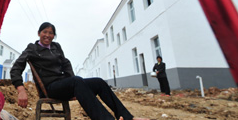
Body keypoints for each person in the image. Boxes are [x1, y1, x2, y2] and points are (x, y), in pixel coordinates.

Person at [10, 22, 149, 120]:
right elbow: (16, 68)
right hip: (50, 88)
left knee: (99, 82)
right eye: (44, 32)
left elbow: (66, 63)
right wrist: (21, 89)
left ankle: (128, 117)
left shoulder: (56, 47)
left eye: (51, 33)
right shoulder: (32, 48)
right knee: (77, 81)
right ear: (39, 33)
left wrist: (75, 86)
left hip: (64, 84)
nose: (47, 35)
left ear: (54, 35)